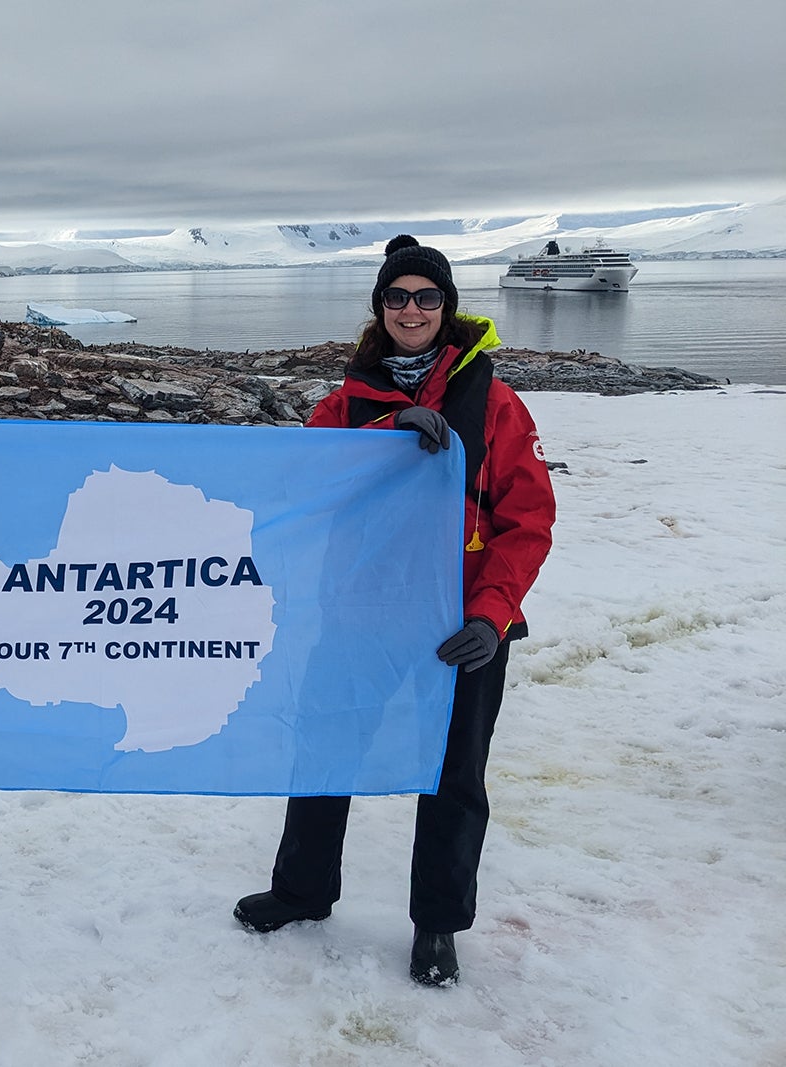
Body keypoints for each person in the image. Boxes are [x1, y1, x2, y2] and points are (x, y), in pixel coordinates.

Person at [232, 235, 555, 987]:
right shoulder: (345, 405)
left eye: (427, 296)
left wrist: (491, 613)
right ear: (380, 308)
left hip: (460, 627)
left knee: (454, 775)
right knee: (326, 748)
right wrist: (386, 435)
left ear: (447, 308)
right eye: (398, 296)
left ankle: (437, 923)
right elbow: (306, 488)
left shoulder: (496, 404)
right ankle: (302, 889)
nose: (412, 309)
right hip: (361, 614)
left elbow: (528, 518)